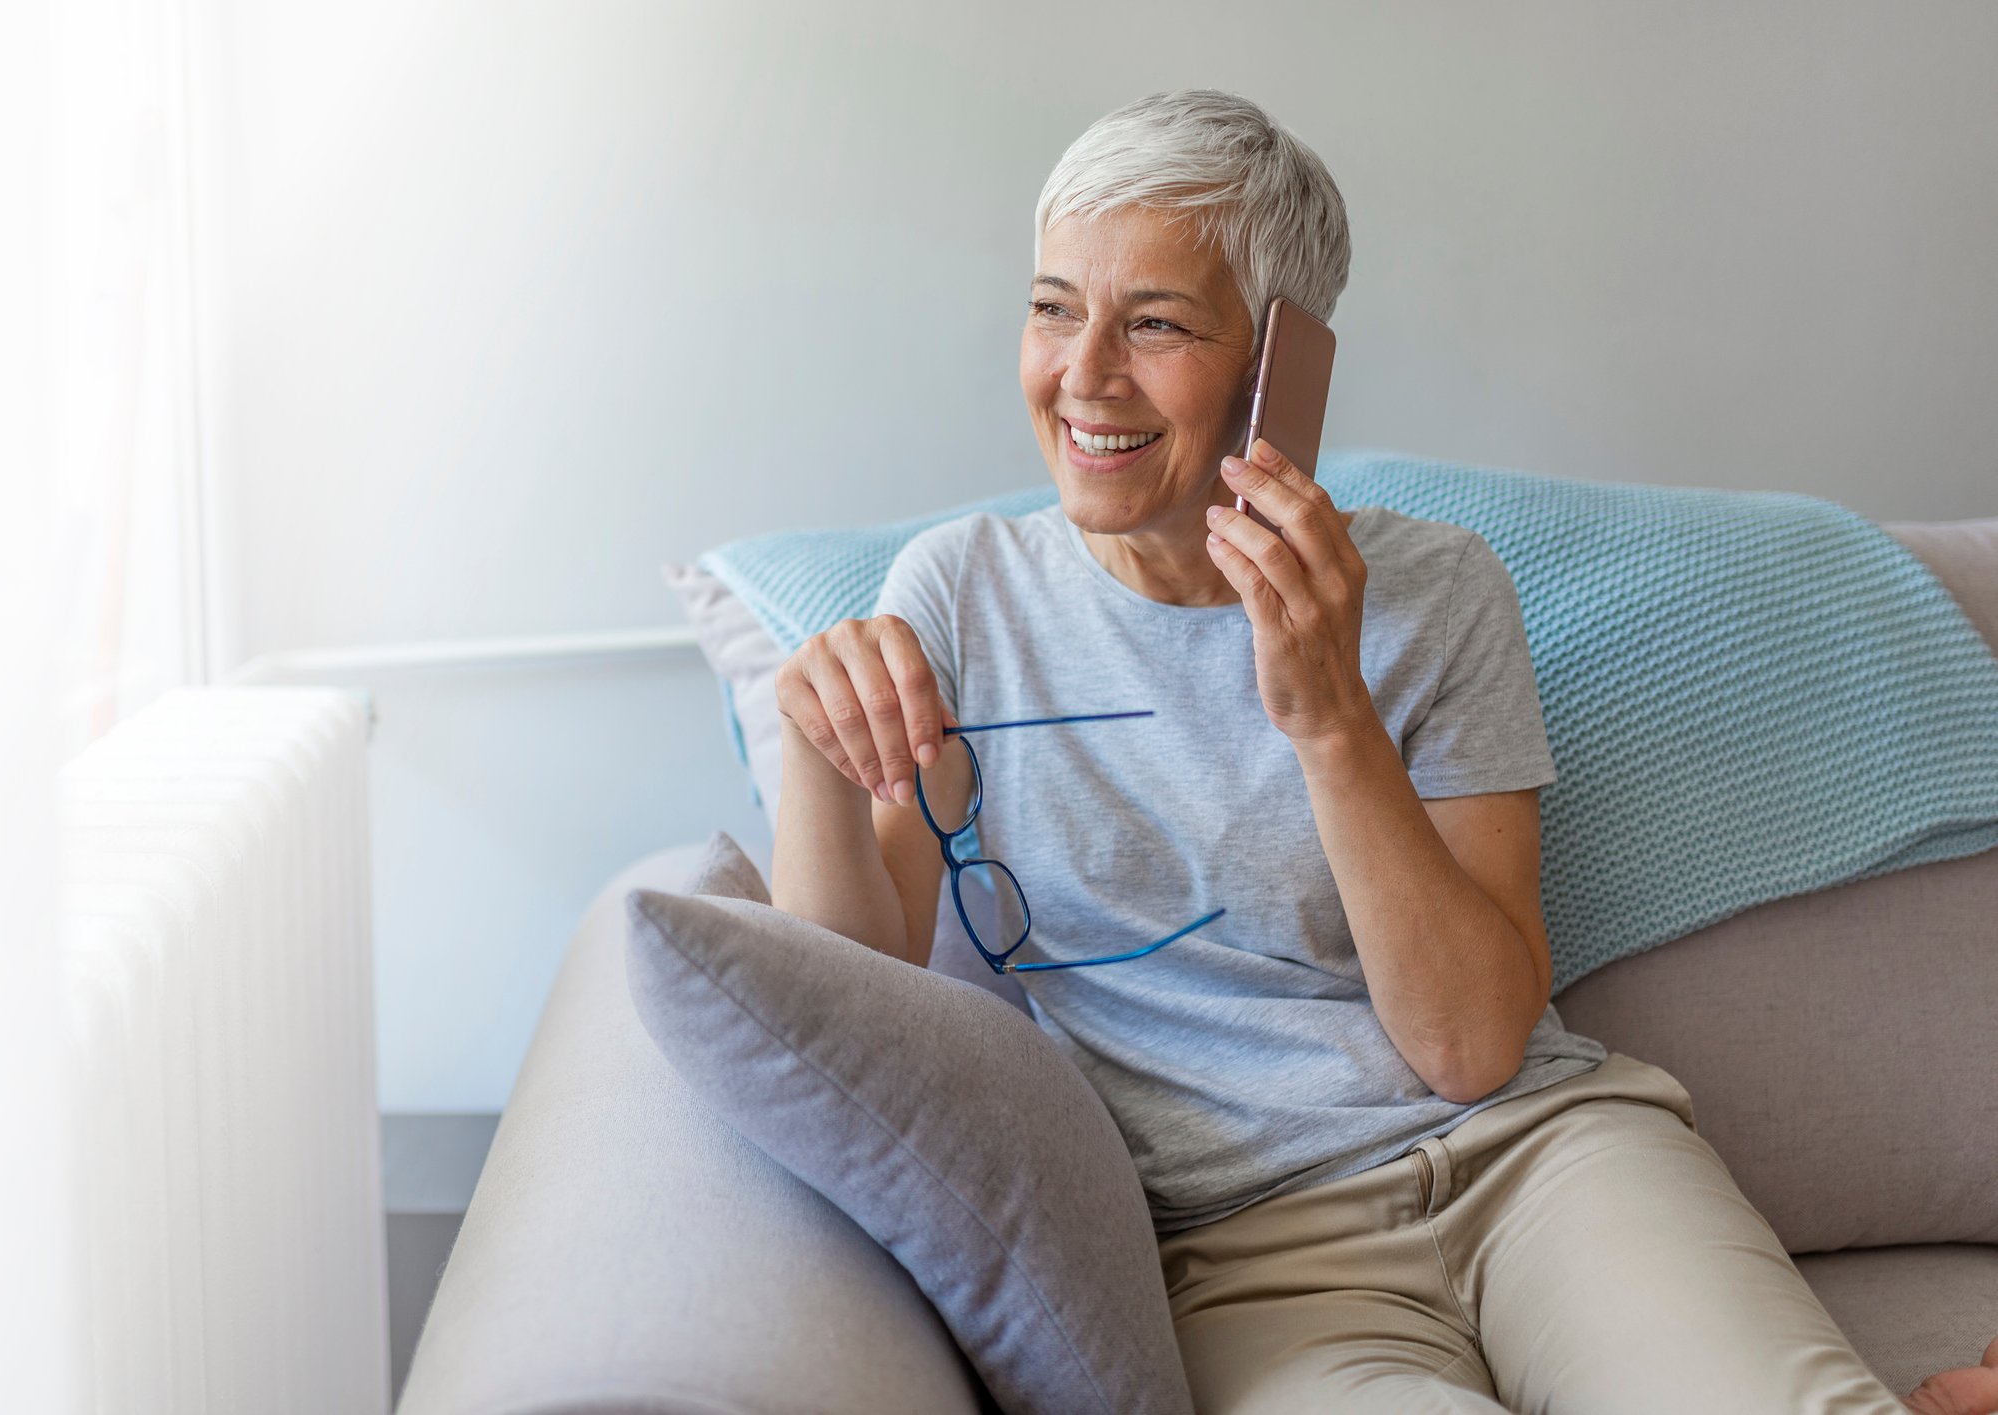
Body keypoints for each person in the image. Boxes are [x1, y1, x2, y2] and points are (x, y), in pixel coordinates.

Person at [767, 88, 1998, 1415]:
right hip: (1244, 1246)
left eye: (1158, 324)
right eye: (1055, 306)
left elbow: (1472, 1048)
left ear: (1279, 365)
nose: (1084, 374)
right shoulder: (961, 594)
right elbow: (845, 981)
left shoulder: (1436, 593)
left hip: (1544, 1162)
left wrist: (1327, 712)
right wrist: (818, 751)